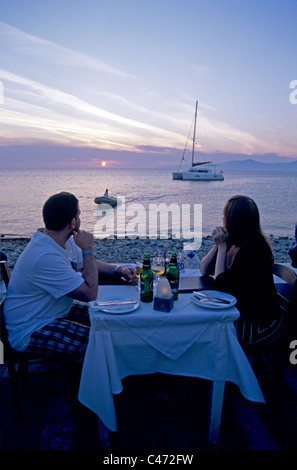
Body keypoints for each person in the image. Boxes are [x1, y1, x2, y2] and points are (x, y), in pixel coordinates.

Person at [3, 192, 136, 359]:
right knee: (102, 343)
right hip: (31, 328)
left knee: (110, 321)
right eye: (79, 214)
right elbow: (89, 294)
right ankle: (103, 381)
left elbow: (87, 264)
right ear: (73, 222)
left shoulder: (60, 239)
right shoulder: (45, 255)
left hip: (53, 311)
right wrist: (89, 248)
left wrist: (118, 270)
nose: (80, 217)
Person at [200, 195, 284, 353]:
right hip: (243, 314)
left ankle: (220, 372)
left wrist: (222, 246)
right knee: (203, 326)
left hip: (261, 325)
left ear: (233, 219)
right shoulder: (235, 240)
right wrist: (218, 245)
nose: (222, 218)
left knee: (207, 334)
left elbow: (221, 287)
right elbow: (204, 269)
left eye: (224, 215)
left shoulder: (255, 249)